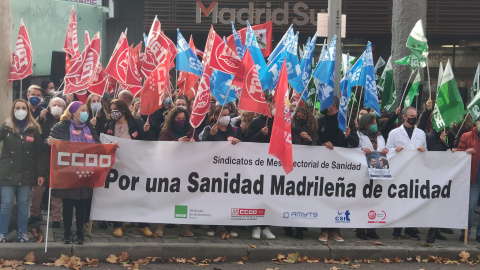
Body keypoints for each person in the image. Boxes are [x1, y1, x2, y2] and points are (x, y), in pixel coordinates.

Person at [47, 101, 99, 245]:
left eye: (86, 110)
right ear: (73, 112)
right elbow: (51, 141)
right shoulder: (61, 126)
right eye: (82, 110)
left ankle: (80, 233)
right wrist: (50, 142)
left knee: (81, 204)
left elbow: (98, 145)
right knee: (68, 205)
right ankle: (67, 233)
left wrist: (110, 147)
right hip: (68, 174)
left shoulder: (89, 127)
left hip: (84, 173)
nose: (85, 113)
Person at [103, 99, 154, 238]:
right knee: (117, 196)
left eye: (116, 110)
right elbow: (103, 142)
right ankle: (117, 225)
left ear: (123, 110)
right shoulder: (109, 125)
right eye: (111, 110)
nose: (113, 113)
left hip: (134, 165)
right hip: (116, 167)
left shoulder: (136, 123)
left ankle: (143, 225)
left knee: (139, 195)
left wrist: (147, 131)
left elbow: (148, 142)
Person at [0, 99, 46, 243]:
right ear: (13, 110)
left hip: (27, 173)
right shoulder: (5, 127)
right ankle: (2, 233)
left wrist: (40, 174)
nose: (20, 110)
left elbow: (39, 153)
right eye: (17, 108)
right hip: (8, 172)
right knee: (6, 204)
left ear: (28, 111)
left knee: (23, 204)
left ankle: (22, 233)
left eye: (23, 108)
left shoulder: (34, 129)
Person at [317, 96, 359, 243]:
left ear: (333, 105)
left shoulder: (346, 120)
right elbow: (315, 140)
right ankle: (324, 230)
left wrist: (348, 135)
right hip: (324, 165)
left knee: (338, 197)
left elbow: (355, 143)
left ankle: (336, 230)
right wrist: (322, 144)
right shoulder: (320, 121)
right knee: (325, 196)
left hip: (341, 165)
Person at [386, 106, 427, 240]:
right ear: (404, 117)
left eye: (416, 115)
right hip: (400, 172)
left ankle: (410, 228)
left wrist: (423, 150)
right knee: (399, 201)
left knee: (412, 201)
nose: (414, 118)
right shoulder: (394, 133)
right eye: (412, 116)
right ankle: (397, 229)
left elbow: (426, 150)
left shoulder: (421, 133)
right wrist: (394, 150)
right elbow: (387, 150)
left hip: (415, 172)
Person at [155, 107, 197, 237]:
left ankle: (185, 227)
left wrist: (196, 143)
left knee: (185, 199)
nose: (181, 121)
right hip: (170, 170)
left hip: (186, 171)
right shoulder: (167, 132)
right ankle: (160, 226)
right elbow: (161, 147)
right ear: (173, 119)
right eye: (178, 119)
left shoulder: (192, 132)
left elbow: (201, 149)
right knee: (166, 198)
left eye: (183, 119)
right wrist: (176, 143)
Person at [202, 106, 240, 237]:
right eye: (223, 115)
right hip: (214, 170)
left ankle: (230, 226)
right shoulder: (209, 129)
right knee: (216, 197)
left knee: (230, 198)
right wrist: (212, 135)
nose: (227, 117)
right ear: (215, 117)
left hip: (230, 170)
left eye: (228, 114)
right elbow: (202, 147)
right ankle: (213, 226)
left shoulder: (234, 130)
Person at [29, 97, 67, 228]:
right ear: (49, 108)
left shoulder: (67, 122)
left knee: (56, 192)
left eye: (59, 105)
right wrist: (39, 119)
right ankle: (34, 214)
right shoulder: (44, 120)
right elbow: (36, 135)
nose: (56, 107)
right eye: (54, 105)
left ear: (64, 108)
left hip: (59, 162)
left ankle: (56, 218)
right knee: (37, 190)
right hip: (43, 160)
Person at [243, 98, 277, 240]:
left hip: (274, 166)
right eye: (274, 105)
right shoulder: (257, 122)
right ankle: (256, 226)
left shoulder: (280, 123)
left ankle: (266, 227)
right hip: (258, 165)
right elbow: (247, 141)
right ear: (268, 106)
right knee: (257, 195)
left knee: (270, 196)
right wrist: (260, 134)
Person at [285, 107, 318, 239]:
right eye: (298, 117)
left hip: (305, 169)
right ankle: (287, 226)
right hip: (291, 167)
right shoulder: (290, 127)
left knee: (301, 198)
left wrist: (310, 140)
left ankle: (299, 228)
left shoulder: (312, 130)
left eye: (303, 118)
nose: (300, 120)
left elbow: (317, 145)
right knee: (288, 197)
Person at [355, 112, 387, 240]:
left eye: (375, 123)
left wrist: (385, 150)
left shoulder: (379, 136)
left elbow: (384, 147)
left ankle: (371, 229)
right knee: (362, 201)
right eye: (372, 123)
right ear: (366, 124)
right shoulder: (359, 135)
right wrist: (362, 151)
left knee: (374, 201)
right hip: (363, 171)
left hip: (378, 170)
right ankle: (360, 229)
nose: (375, 125)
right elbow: (353, 149)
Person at [454, 116, 480, 243]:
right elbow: (459, 153)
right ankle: (465, 231)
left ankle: (479, 234)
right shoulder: (467, 136)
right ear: (477, 123)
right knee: (470, 206)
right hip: (473, 177)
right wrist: (466, 152)